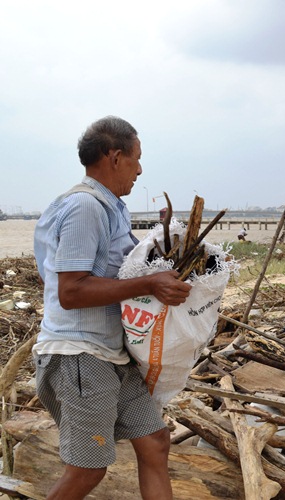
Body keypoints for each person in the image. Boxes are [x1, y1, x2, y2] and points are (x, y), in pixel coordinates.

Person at [33, 116, 192, 500]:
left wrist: (164, 237)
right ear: (115, 156)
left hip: (111, 354)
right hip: (80, 356)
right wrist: (151, 284)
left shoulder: (112, 208)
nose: (140, 170)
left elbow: (125, 266)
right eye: (136, 159)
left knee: (154, 441)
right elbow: (70, 291)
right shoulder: (85, 207)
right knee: (88, 471)